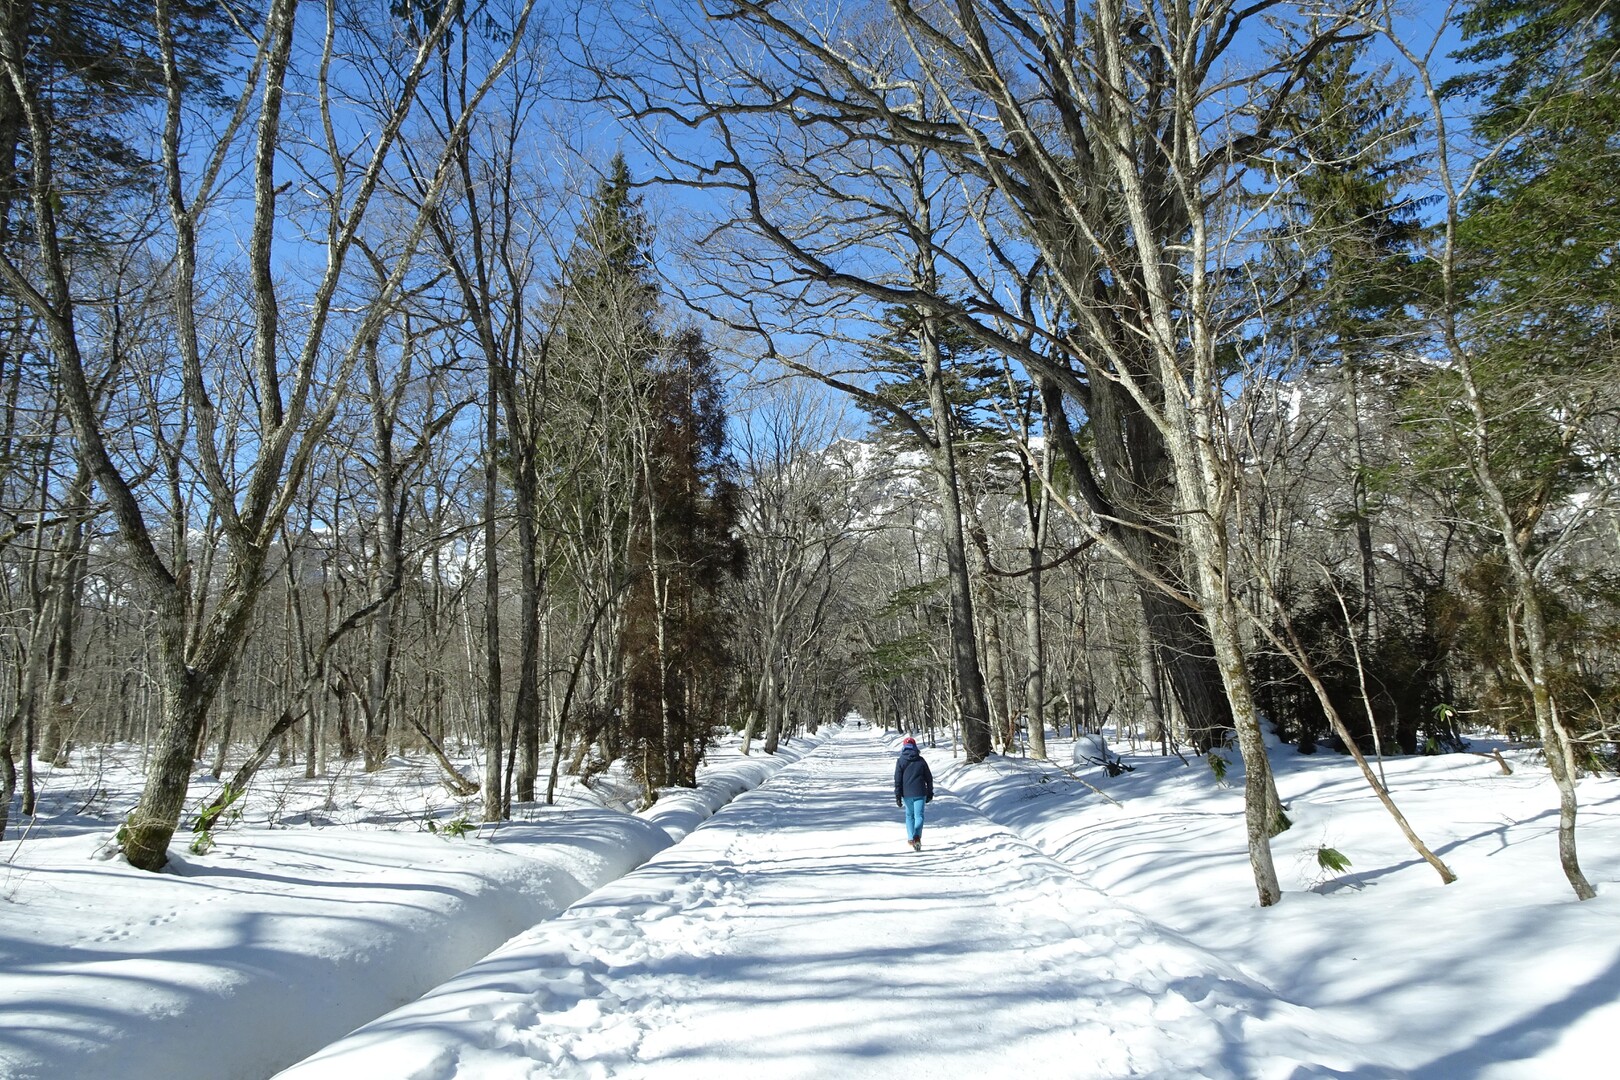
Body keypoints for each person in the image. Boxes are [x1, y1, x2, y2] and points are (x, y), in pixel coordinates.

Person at [893, 735, 934, 851]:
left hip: (907, 794)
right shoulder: (921, 761)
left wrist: (898, 795)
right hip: (920, 792)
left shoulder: (901, 761)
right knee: (919, 816)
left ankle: (911, 838)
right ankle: (917, 836)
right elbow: (929, 778)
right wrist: (930, 792)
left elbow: (897, 780)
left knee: (909, 816)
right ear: (915, 747)